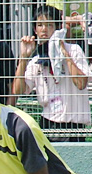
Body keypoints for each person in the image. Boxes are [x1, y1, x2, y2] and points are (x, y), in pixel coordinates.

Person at [12, 5, 91, 142]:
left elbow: (81, 83)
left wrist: (64, 53)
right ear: (35, 29)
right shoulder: (36, 60)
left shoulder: (74, 50)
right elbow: (18, 90)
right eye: (40, 25)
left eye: (49, 25)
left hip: (73, 127)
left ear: (57, 27)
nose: (44, 29)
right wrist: (23, 57)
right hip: (48, 124)